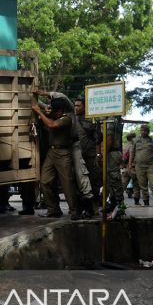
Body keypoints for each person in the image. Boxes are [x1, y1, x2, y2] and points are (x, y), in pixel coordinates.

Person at [35, 90, 95, 218]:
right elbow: (46, 114)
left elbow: (51, 125)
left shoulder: (67, 119)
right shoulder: (54, 115)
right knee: (45, 181)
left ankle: (75, 211)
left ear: (60, 110)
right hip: (52, 152)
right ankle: (53, 209)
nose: (52, 112)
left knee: (68, 184)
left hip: (63, 152)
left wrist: (39, 111)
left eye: (54, 111)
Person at [74, 98, 102, 210]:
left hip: (89, 154)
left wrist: (98, 153)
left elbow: (99, 138)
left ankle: (94, 207)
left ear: (85, 107)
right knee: (79, 182)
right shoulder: (74, 119)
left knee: (93, 180)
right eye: (75, 105)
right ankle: (82, 207)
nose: (76, 107)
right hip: (78, 154)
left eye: (78, 106)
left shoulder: (92, 119)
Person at [129, 124, 153, 206]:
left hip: (151, 166)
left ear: (148, 132)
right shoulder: (136, 140)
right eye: (142, 130)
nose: (143, 132)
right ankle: (146, 202)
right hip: (139, 166)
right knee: (143, 185)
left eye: (145, 131)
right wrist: (130, 164)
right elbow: (132, 153)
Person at [122, 133, 141, 205]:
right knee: (136, 186)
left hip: (126, 168)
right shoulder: (135, 146)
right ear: (133, 138)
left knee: (123, 185)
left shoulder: (125, 146)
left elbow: (123, 157)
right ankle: (136, 202)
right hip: (134, 168)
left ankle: (118, 202)